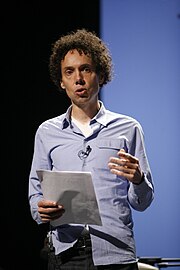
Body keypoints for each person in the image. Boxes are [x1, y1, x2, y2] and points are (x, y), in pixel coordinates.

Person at [28, 28, 154, 270]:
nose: (79, 78)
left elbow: (143, 202)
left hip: (115, 253)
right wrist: (41, 209)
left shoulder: (128, 128)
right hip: (65, 251)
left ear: (101, 75)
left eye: (86, 69)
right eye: (69, 72)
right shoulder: (47, 132)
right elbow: (36, 191)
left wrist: (138, 179)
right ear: (61, 81)